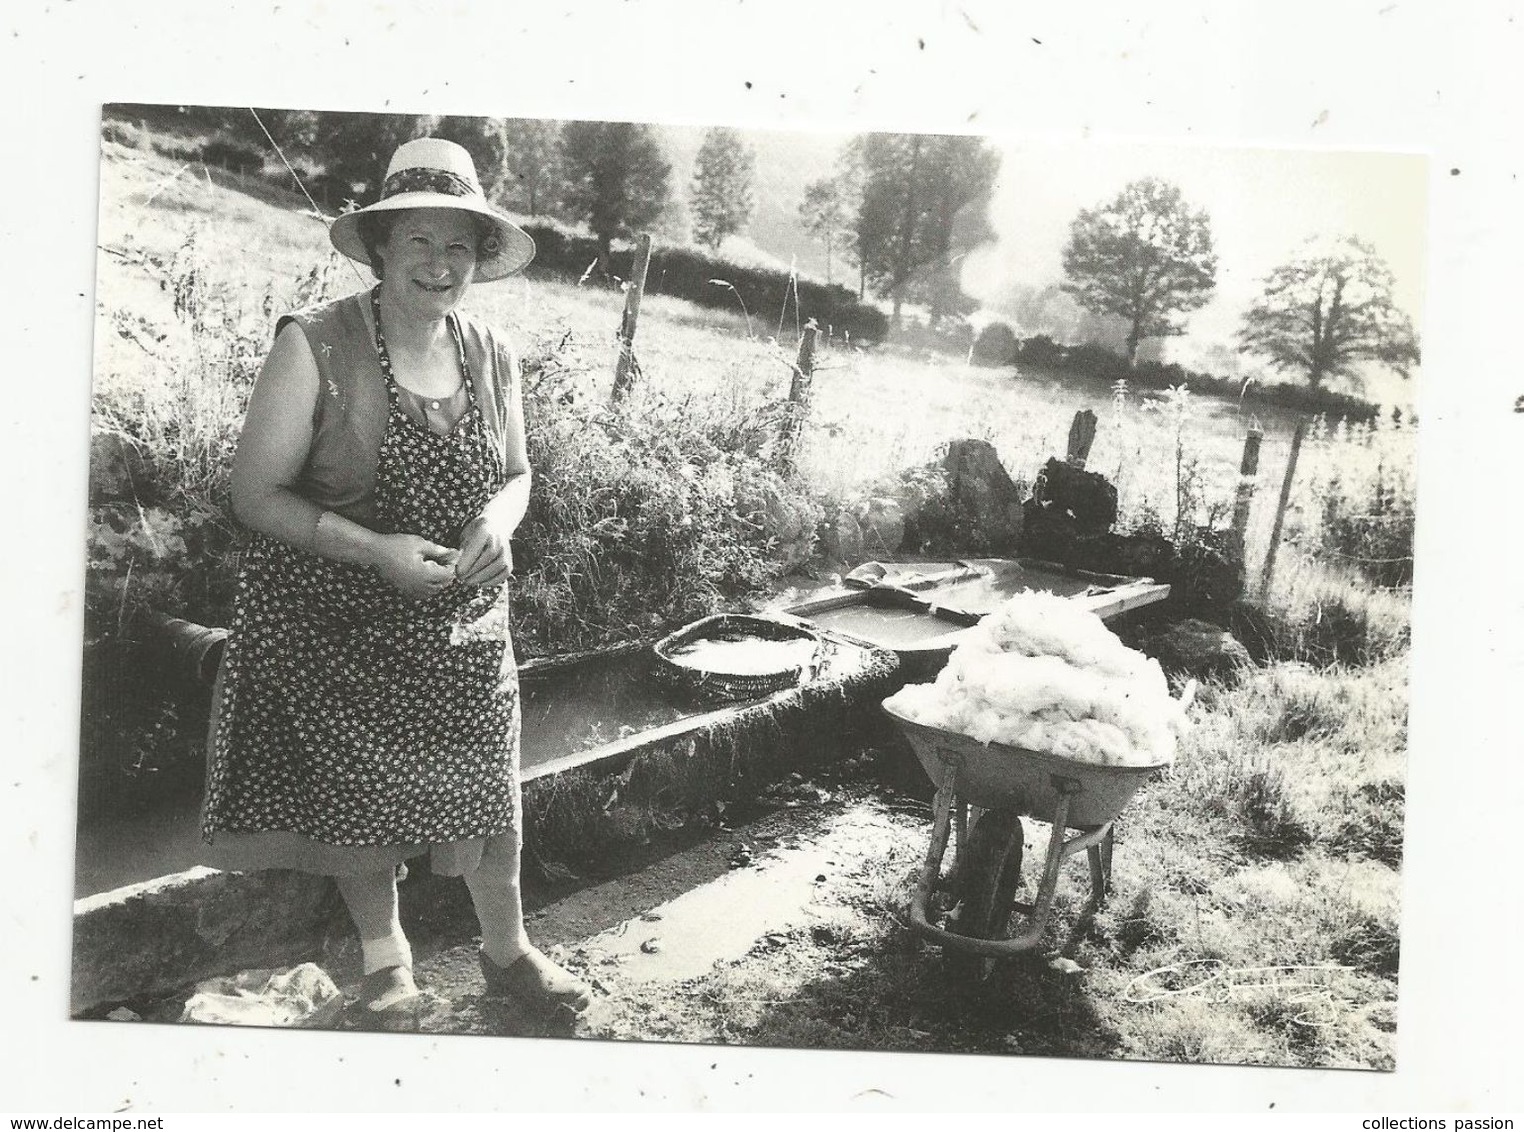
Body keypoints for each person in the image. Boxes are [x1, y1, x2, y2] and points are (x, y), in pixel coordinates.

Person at [201, 137, 590, 1027]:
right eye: (419, 240)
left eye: (460, 245)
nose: (440, 263)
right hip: (333, 622)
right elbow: (254, 494)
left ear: (481, 259)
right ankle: (388, 967)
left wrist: (498, 521)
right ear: (380, 247)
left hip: (461, 624)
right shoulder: (316, 345)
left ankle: (510, 954)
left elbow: (519, 472)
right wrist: (373, 551)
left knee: (492, 783)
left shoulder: (492, 354)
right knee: (355, 799)